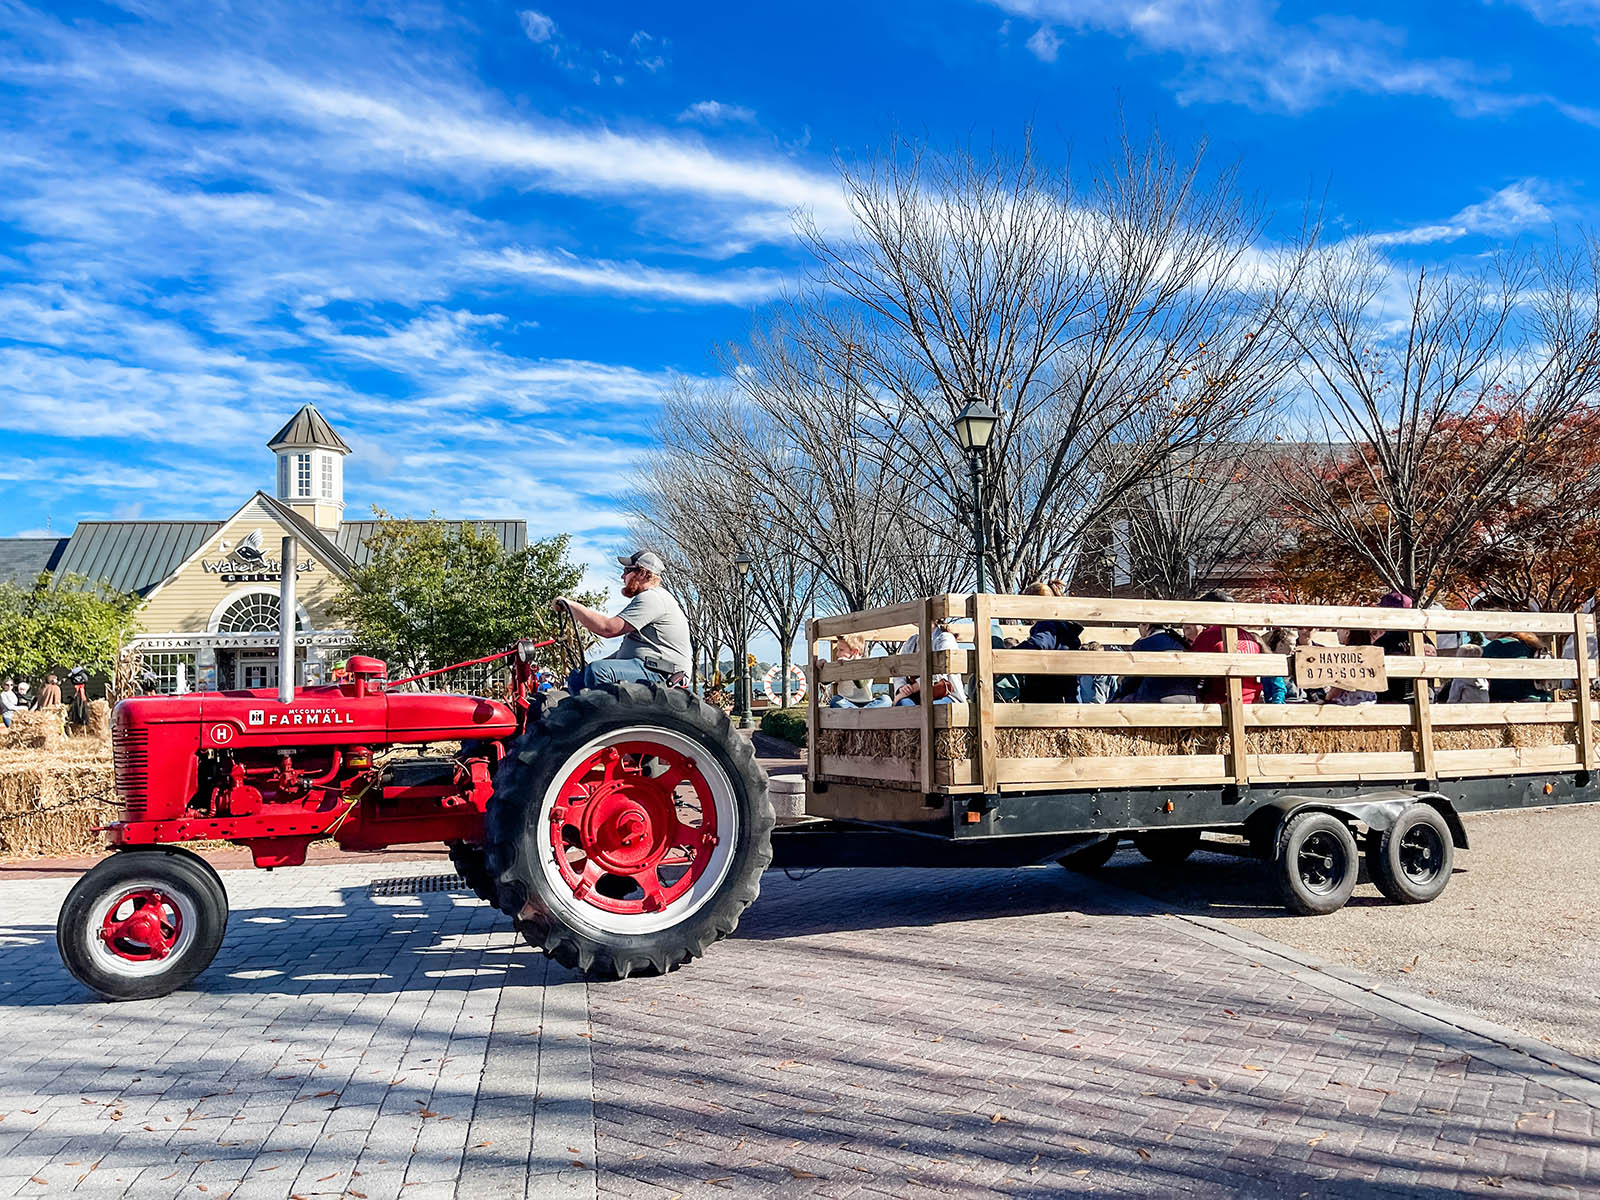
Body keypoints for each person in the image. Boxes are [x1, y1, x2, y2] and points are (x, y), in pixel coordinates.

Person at [555, 550, 692, 691]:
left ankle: (605, 714)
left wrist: (572, 606)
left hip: (665, 675)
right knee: (578, 677)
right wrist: (587, 668)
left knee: (598, 671)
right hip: (648, 667)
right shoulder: (650, 599)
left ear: (643, 573)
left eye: (627, 571)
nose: (623, 576)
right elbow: (625, 652)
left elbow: (608, 629)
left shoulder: (653, 598)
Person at [1188, 590, 1263, 704]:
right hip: (1252, 702)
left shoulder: (1208, 636)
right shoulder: (1249, 637)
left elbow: (1189, 667)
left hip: (1221, 704)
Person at [1476, 594, 1553, 703]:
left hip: (1512, 702)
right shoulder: (1530, 643)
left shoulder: (1497, 645)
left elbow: (1473, 674)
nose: (1482, 628)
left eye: (1486, 623)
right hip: (1540, 699)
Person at [1114, 622, 1196, 704]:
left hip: (1157, 696)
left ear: (1146, 625)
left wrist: (1115, 698)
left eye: (1138, 625)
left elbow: (1130, 682)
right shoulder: (1180, 642)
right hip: (1190, 696)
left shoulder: (1143, 644)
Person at [892, 621, 968, 706]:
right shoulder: (912, 641)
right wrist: (902, 687)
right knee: (904, 704)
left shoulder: (945, 638)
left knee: (928, 709)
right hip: (917, 696)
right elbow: (900, 670)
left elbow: (939, 674)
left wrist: (910, 690)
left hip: (946, 695)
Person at [827, 634, 891, 708]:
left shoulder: (867, 665)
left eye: (841, 650)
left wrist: (849, 666)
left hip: (867, 703)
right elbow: (825, 681)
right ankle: (863, 714)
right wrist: (822, 664)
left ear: (855, 652)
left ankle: (861, 712)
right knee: (835, 700)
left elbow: (860, 684)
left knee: (886, 700)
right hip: (847, 703)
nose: (837, 654)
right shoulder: (840, 666)